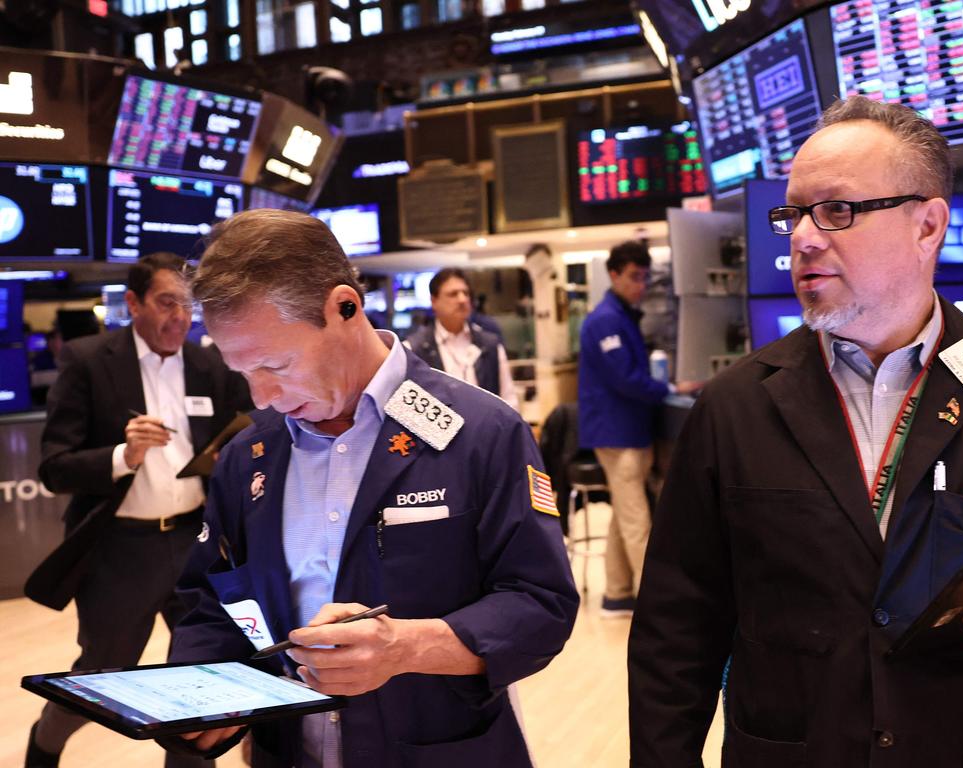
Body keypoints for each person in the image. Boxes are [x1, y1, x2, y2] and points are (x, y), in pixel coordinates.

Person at [629, 95, 963, 767]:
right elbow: (677, 631)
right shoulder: (735, 408)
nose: (803, 238)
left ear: (927, 226)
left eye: (837, 211)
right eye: (793, 215)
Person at [163, 210, 578, 767]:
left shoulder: (478, 432)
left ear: (345, 307)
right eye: (243, 373)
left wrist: (406, 648)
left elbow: (540, 605)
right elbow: (214, 606)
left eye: (276, 364)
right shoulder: (248, 456)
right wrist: (203, 705)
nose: (262, 397)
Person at [25, 252, 252, 768]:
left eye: (188, 305)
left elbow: (249, 423)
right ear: (132, 303)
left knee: (203, 680)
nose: (179, 317)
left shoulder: (208, 364)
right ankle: (45, 743)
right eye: (166, 302)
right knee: (104, 673)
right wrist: (121, 456)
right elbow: (54, 468)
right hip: (120, 551)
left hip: (194, 542)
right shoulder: (88, 361)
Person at [577, 241, 698, 617]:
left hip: (628, 430)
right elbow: (626, 379)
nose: (640, 285)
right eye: (633, 277)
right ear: (613, 275)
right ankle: (657, 609)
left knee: (624, 515)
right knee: (637, 522)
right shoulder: (605, 320)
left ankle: (617, 594)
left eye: (644, 277)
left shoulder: (623, 314)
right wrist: (669, 388)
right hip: (617, 433)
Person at [405, 267, 520, 409]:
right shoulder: (414, 349)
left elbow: (509, 400)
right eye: (453, 294)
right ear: (434, 301)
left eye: (466, 293)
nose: (462, 299)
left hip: (486, 428)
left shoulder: (490, 344)